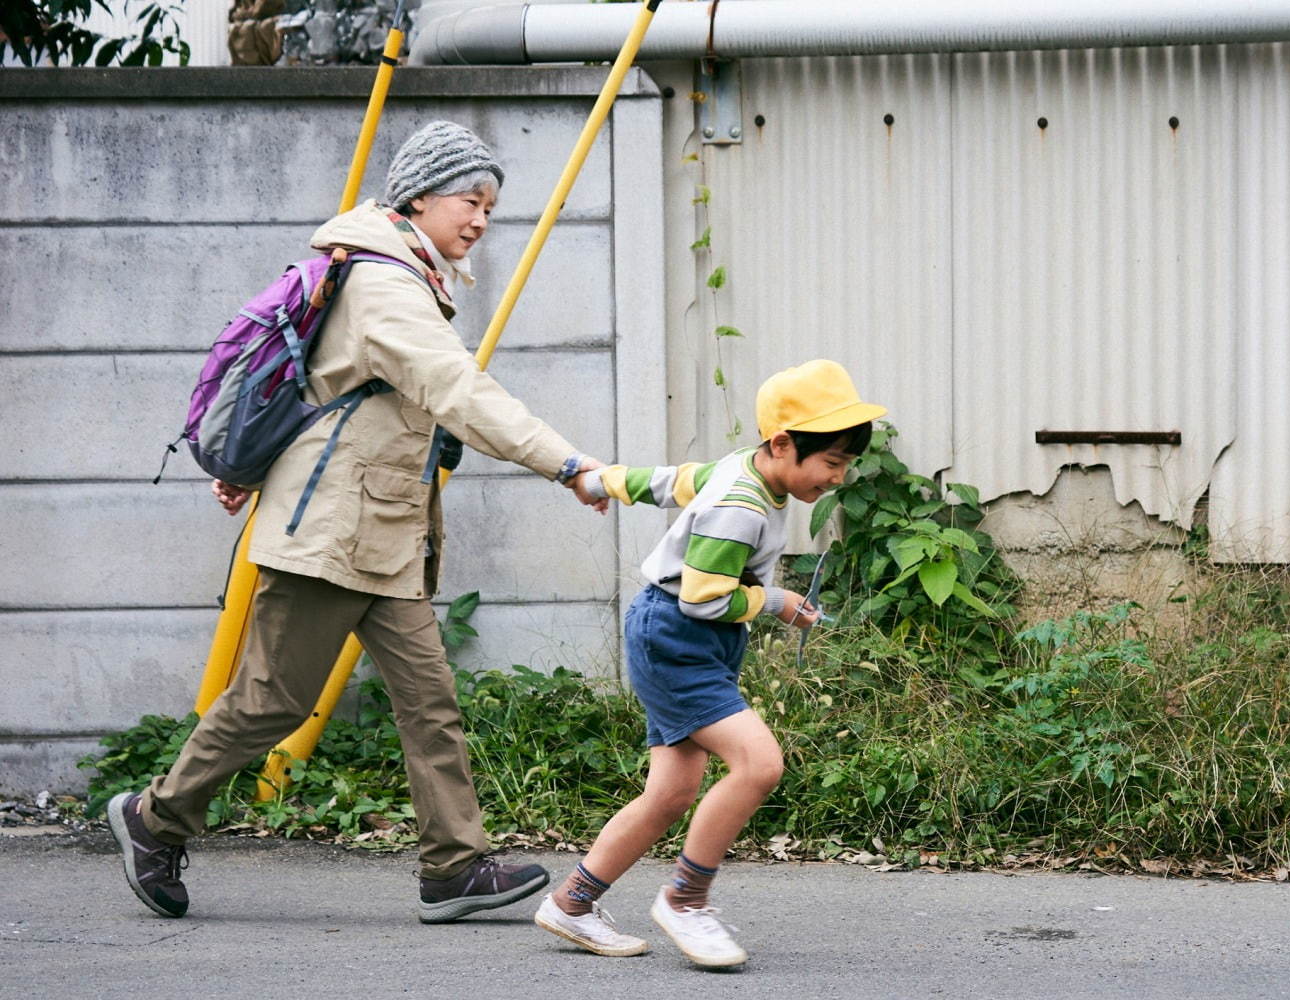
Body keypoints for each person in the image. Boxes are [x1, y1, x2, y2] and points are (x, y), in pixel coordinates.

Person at [108, 120, 607, 923]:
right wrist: (568, 463)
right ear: (418, 196)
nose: (481, 218)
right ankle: (153, 818)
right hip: (331, 533)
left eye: (490, 205)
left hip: (383, 535)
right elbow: (457, 390)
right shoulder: (384, 284)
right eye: (468, 199)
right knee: (271, 702)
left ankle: (453, 866)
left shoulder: (408, 275)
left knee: (430, 700)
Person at [533, 359, 885, 968]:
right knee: (759, 763)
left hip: (686, 636)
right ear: (782, 444)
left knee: (671, 792)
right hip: (678, 638)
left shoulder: (741, 470)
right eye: (831, 462)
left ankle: (572, 903)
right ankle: (686, 900)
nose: (839, 477)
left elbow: (670, 480)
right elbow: (705, 598)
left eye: (846, 464)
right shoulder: (743, 508)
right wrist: (775, 601)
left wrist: (601, 482)